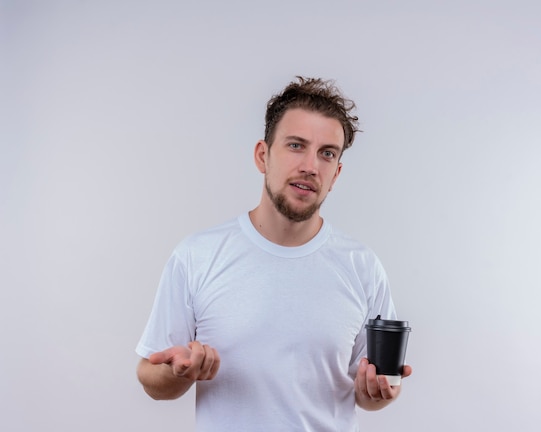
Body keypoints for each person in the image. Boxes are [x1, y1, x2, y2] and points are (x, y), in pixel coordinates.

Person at [136, 76, 412, 431]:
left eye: (327, 153)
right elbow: (149, 377)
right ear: (263, 155)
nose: (311, 166)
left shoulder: (362, 266)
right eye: (296, 145)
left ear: (337, 173)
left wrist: (379, 393)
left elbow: (373, 389)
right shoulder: (197, 256)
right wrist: (178, 372)